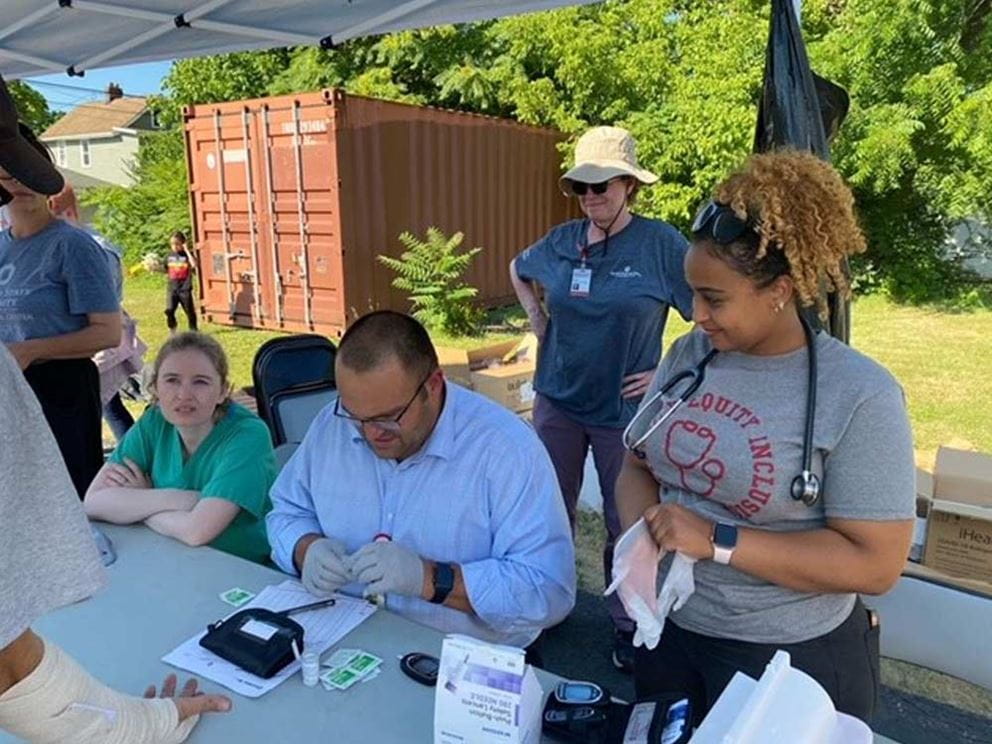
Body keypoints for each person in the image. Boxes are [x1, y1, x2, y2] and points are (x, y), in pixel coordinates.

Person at [615, 149, 915, 726]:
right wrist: (643, 541)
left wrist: (717, 539)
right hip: (671, 635)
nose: (694, 315)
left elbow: (876, 564)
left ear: (779, 290)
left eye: (715, 299)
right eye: (692, 293)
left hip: (788, 661)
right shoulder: (689, 357)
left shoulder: (859, 395)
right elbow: (638, 463)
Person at [0, 72, 230, 743]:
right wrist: (141, 726)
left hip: (57, 388)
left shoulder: (73, 248)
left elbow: (11, 658)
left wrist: (141, 723)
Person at [266, 311, 576, 650]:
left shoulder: (505, 450)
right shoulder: (333, 424)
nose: (371, 434)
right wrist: (304, 548)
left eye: (388, 417)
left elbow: (549, 590)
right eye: (357, 417)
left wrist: (431, 579)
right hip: (346, 639)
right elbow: (286, 511)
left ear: (433, 385)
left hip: (465, 661)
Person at [509, 125, 694, 670]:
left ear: (629, 186)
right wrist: (536, 317)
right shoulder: (563, 240)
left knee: (626, 522)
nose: (592, 198)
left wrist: (665, 372)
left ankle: (627, 623)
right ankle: (549, 605)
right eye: (582, 188)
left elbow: (705, 316)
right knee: (546, 513)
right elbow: (518, 268)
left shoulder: (661, 245)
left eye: (603, 186)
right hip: (558, 402)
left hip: (623, 414)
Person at [0, 121, 121, 499]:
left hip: (62, 391)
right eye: (11, 175)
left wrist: (31, 350)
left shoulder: (73, 246)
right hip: (11, 392)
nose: (22, 184)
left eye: (32, 173)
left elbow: (107, 332)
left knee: (69, 497)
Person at [85, 332, 276, 564]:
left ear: (223, 390)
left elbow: (197, 531)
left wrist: (141, 502)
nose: (184, 395)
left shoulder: (247, 435)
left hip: (242, 571)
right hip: (170, 557)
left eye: (200, 382)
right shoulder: (155, 421)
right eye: (172, 380)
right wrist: (186, 500)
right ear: (155, 388)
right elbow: (94, 502)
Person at [50, 183, 145, 441]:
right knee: (107, 405)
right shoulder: (91, 242)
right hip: (92, 340)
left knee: (103, 406)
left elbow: (104, 303)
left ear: (65, 212)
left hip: (96, 340)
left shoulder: (93, 249)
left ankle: (131, 458)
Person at [165, 231, 198, 333]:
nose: (174, 247)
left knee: (190, 312)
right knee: (169, 310)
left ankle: (193, 331)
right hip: (172, 288)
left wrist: (187, 250)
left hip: (185, 289)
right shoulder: (168, 256)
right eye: (172, 244)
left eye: (177, 244)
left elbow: (194, 265)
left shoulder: (187, 256)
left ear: (182, 243)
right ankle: (172, 330)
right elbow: (165, 269)